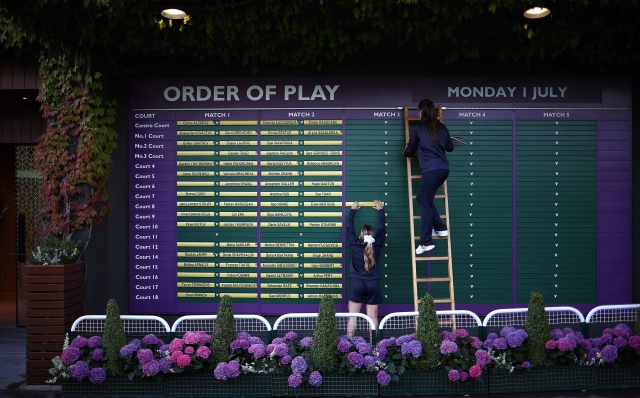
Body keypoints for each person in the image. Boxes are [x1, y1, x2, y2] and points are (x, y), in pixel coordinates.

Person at [403, 99, 454, 254]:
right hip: (443, 170)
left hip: (431, 171)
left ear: (420, 111)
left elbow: (410, 149)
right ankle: (440, 228)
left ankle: (426, 242)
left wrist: (405, 152)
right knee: (422, 199)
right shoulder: (442, 128)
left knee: (424, 205)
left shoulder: (418, 128)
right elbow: (450, 147)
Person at [346, 199, 385, 336]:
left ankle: (348, 348)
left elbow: (349, 227)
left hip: (357, 283)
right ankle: (374, 349)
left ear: (360, 235)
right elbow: (382, 229)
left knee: (352, 317)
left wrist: (352, 210)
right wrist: (381, 210)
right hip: (373, 283)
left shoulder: (354, 244)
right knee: (373, 318)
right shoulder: (378, 244)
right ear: (372, 235)